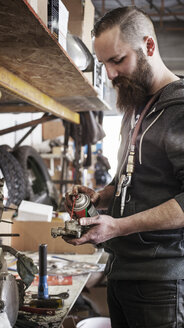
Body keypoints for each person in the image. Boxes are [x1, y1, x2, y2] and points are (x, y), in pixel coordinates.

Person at [64, 6, 184, 328]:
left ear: (148, 47)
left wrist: (116, 226)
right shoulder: (136, 107)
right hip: (122, 272)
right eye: (104, 64)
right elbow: (130, 177)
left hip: (162, 283)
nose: (112, 74)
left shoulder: (179, 110)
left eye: (118, 60)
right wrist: (101, 196)